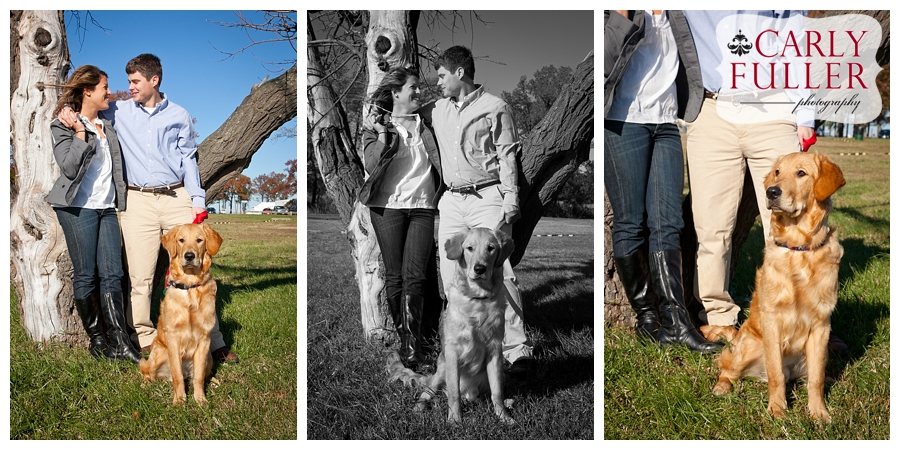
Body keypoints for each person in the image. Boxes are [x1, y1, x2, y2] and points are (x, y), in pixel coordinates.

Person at [681, 11, 848, 355]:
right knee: (711, 225)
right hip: (711, 109)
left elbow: (796, 45)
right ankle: (718, 318)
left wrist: (804, 115)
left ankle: (812, 320)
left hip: (773, 107)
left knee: (797, 223)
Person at [60, 54, 239, 363]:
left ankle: (212, 340)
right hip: (137, 200)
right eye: (128, 81)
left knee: (195, 271)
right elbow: (87, 109)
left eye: (135, 81)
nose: (129, 87)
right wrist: (68, 110)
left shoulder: (180, 115)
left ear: (154, 80)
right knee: (139, 276)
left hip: (176, 196)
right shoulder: (118, 110)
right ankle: (143, 337)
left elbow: (188, 160)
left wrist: (197, 200)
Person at [604, 10, 723, 353]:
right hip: (622, 120)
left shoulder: (679, 11)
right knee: (630, 222)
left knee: (668, 222)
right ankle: (647, 319)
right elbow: (607, 56)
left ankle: (677, 321)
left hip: (666, 122)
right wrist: (621, 15)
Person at [423, 45, 534, 376]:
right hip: (452, 201)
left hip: (487, 196)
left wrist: (511, 197)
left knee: (502, 271)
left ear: (460, 73)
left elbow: (507, 154)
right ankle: (459, 348)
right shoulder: (436, 109)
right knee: (450, 273)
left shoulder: (495, 106)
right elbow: (403, 107)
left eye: (442, 75)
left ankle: (516, 349)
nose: (437, 82)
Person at [47, 65, 142, 364]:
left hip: (107, 208)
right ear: (88, 90)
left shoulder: (108, 124)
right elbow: (70, 167)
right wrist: (79, 130)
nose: (109, 92)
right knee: (86, 274)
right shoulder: (61, 126)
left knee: (114, 274)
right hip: (77, 208)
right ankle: (98, 342)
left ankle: (121, 343)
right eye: (104, 87)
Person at [358, 67, 444, 370]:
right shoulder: (376, 127)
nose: (419, 92)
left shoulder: (429, 123)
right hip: (387, 207)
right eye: (413, 87)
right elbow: (371, 164)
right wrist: (382, 132)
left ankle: (414, 343)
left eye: (419, 88)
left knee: (416, 275)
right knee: (395, 276)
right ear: (396, 93)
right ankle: (409, 345)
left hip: (423, 205)